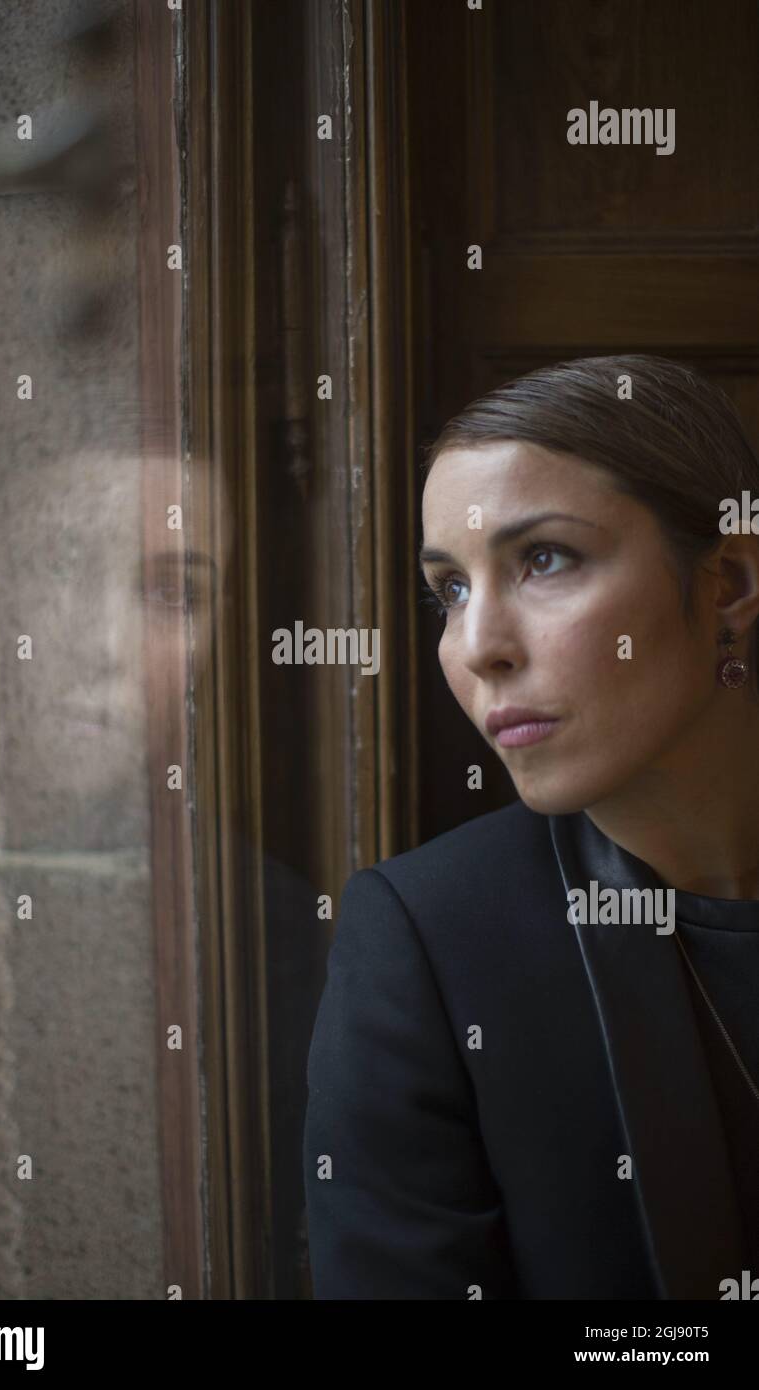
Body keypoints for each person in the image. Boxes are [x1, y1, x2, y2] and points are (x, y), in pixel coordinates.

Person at [302, 354, 759, 1299]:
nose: (478, 648)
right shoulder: (430, 942)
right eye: (451, 591)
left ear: (729, 581)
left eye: (544, 559)